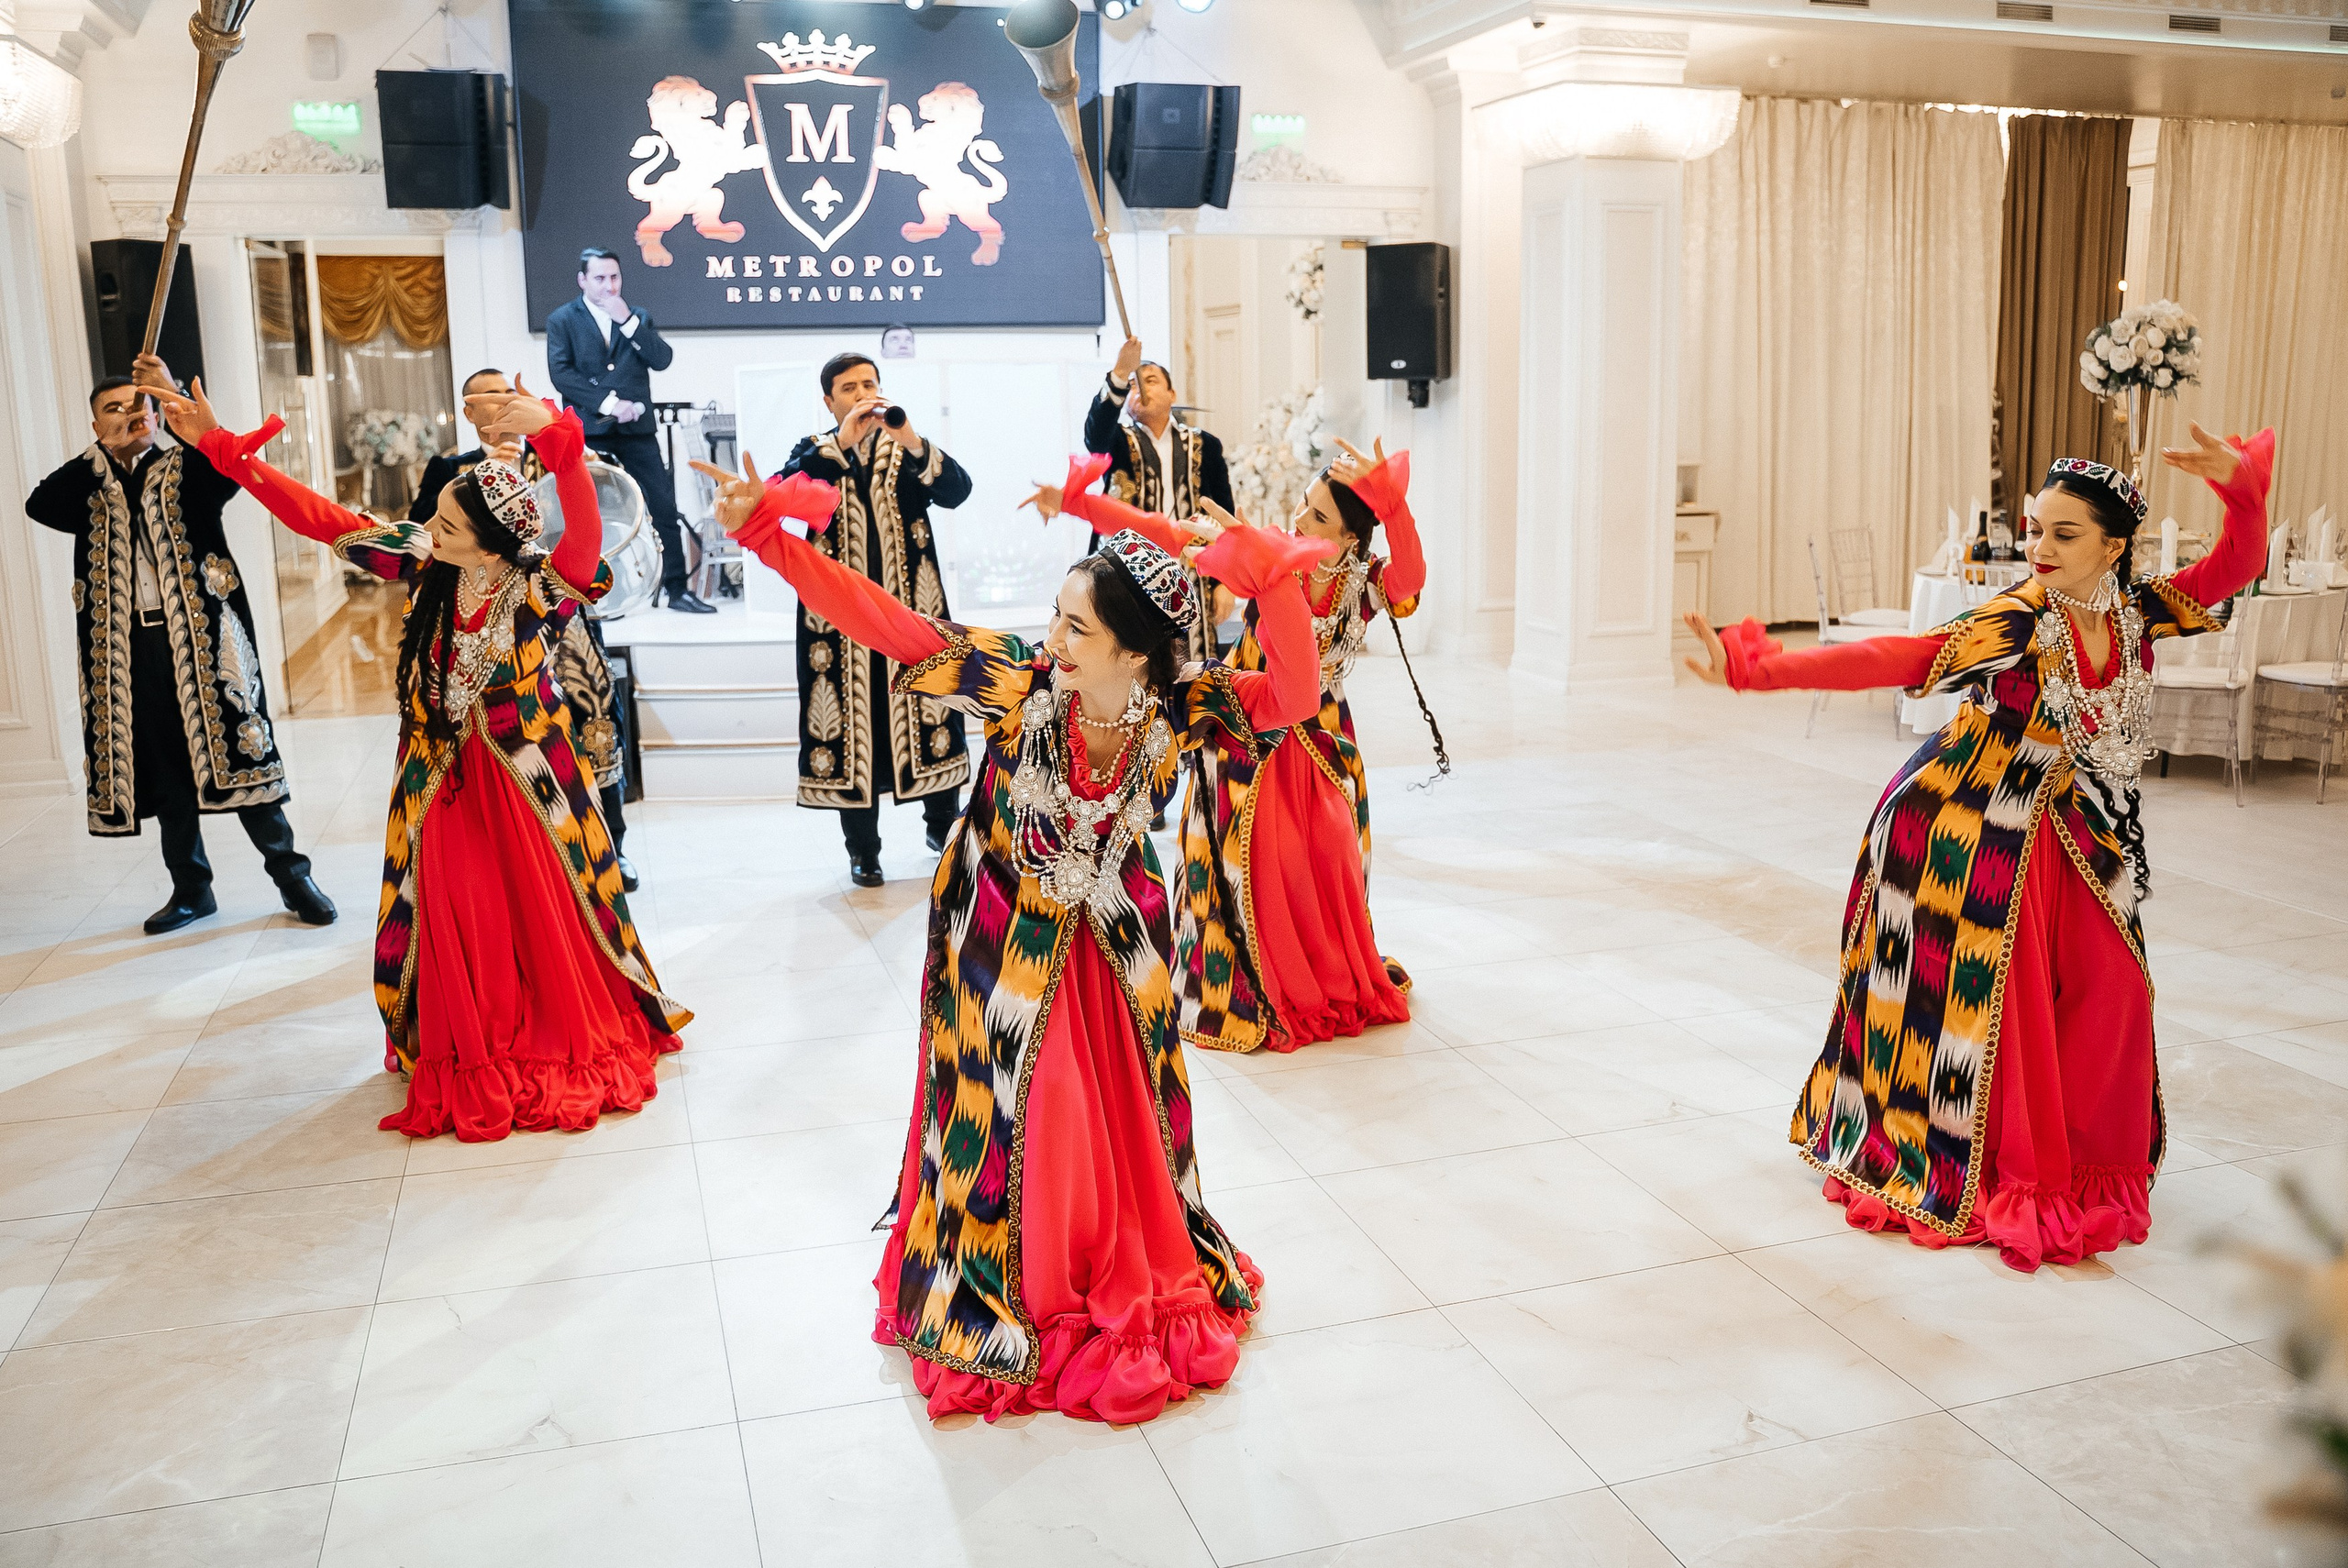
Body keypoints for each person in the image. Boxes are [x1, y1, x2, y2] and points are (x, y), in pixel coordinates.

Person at [694, 448, 1332, 1425]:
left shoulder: (1179, 710)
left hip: (1117, 948)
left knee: (1113, 1109)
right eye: (1057, 615)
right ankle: (1018, 1290)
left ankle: (1107, 1266)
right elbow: (891, 626)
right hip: (998, 943)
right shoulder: (1016, 684)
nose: (1056, 637)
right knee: (1024, 1108)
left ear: (1135, 652)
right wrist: (768, 539)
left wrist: (1276, 580)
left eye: (1078, 626)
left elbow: (1290, 697)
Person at [1683, 422, 2274, 1272]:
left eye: (2064, 533)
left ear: (2114, 547)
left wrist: (2243, 494)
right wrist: (1759, 669)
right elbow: (1904, 655)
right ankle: (2001, 1172)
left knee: (2113, 991)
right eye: (2036, 528)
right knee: (2006, 1011)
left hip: (2072, 818)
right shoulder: (2020, 620)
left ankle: (2082, 1165)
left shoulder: (2137, 612)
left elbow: (2232, 568)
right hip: (1968, 823)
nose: (2040, 546)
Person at [153, 374, 692, 1143]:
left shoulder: (539, 585)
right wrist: (225, 451)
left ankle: (541, 1036)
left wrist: (563, 450)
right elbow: (323, 520)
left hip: (527, 784)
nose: (427, 528)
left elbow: (582, 540)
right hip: (438, 777)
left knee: (542, 915)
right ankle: (467, 1044)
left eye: (445, 523)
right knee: (452, 909)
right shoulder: (422, 562)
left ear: (491, 540)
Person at [1030, 437, 1439, 1055]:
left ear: (1353, 538)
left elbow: (1410, 580)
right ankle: (1258, 984)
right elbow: (1162, 531)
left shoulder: (1363, 582)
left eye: (1319, 517)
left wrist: (1396, 508)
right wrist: (1077, 505)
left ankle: (1324, 974)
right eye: (1304, 504)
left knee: (1325, 861)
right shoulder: (1273, 551)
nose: (1299, 521)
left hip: (1322, 738)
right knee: (1248, 862)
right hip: (1249, 726)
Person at [25, 357, 335, 935]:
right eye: (111, 410)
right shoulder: (89, 484)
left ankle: (294, 878)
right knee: (165, 765)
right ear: (94, 428)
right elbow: (40, 504)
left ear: (155, 411)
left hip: (206, 638)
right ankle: (192, 889)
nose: (127, 415)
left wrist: (174, 410)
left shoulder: (189, 469)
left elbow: (229, 473)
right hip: (129, 647)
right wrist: (107, 454)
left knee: (242, 748)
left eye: (135, 404)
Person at [415, 368, 640, 893]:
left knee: (595, 712)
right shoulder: (450, 468)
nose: (500, 407)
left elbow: (595, 515)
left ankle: (613, 843)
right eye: (486, 399)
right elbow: (424, 531)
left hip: (555, 607)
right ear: (468, 413)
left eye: (508, 396)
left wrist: (563, 452)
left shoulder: (553, 452)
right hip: (484, 619)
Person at [775, 352, 973, 887]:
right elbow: (782, 494)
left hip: (913, 611)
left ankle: (942, 827)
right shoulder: (815, 452)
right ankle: (863, 849)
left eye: (870, 383)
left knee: (929, 707)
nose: (863, 393)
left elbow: (957, 491)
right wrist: (840, 442)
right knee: (848, 723)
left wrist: (911, 439)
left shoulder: (906, 448)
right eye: (849, 386)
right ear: (829, 400)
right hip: (839, 623)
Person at [544, 246, 714, 613]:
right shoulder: (562, 319)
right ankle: (587, 598)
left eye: (614, 277)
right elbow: (562, 374)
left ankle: (677, 591)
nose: (609, 285)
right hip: (590, 431)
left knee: (663, 507)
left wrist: (628, 322)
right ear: (582, 280)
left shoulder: (637, 316)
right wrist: (608, 404)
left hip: (638, 432)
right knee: (587, 515)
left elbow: (662, 359)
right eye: (600, 278)